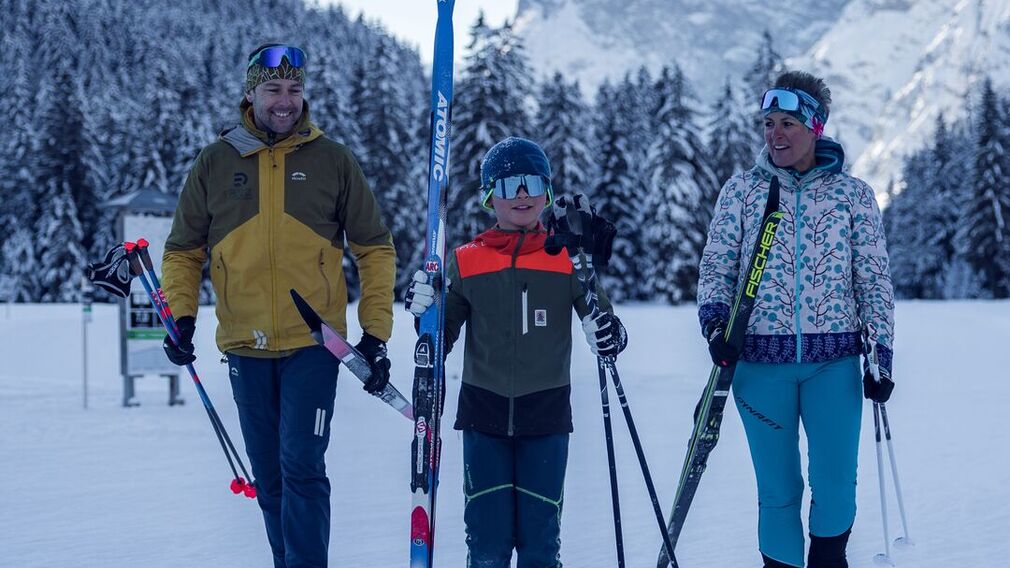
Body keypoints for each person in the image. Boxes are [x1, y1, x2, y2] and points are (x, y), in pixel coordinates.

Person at [160, 43, 396, 568]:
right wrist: (181, 316)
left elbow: (374, 248)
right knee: (268, 476)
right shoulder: (216, 163)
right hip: (245, 344)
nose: (285, 101)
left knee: (302, 467)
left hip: (315, 344)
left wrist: (374, 332)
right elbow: (182, 252)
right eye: (273, 89)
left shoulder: (333, 161)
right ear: (251, 93)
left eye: (294, 89)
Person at [697, 70, 895, 568]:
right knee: (779, 490)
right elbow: (717, 266)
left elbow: (872, 280)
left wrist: (882, 356)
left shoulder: (853, 196)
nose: (775, 134)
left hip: (834, 367)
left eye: (787, 122)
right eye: (768, 123)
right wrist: (715, 327)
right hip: (759, 367)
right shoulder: (742, 191)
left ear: (815, 127)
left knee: (835, 486)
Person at [404, 137, 626, 567]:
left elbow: (605, 323)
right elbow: (441, 337)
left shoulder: (565, 257)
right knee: (486, 546)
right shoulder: (466, 260)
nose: (521, 195)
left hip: (545, 417)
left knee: (541, 546)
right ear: (490, 197)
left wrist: (607, 333)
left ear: (545, 190)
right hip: (482, 416)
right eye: (507, 186)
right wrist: (425, 315)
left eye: (529, 183)